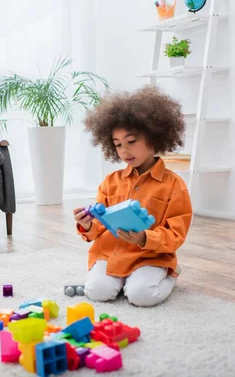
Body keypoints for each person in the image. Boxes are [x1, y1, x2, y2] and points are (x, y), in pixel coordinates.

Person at [73, 86, 192, 307]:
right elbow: (99, 227)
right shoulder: (110, 181)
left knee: (141, 297)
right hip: (111, 253)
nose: (124, 151)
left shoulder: (174, 186)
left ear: (155, 136)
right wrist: (87, 225)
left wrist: (145, 238)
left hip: (150, 256)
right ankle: (123, 282)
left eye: (131, 141)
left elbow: (176, 234)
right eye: (117, 144)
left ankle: (170, 275)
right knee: (97, 292)